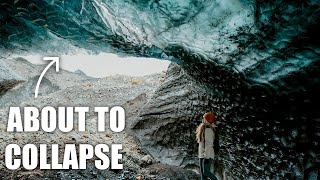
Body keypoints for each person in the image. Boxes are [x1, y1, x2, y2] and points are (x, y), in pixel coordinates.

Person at [196, 112, 218, 180]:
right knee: (203, 176)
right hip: (203, 155)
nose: (203, 119)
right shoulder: (204, 128)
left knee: (206, 173)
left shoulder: (208, 130)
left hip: (206, 156)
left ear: (208, 120)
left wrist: (206, 157)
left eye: (204, 118)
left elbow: (209, 144)